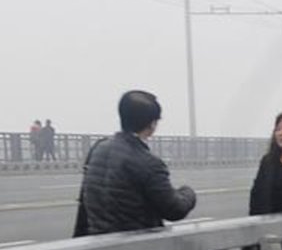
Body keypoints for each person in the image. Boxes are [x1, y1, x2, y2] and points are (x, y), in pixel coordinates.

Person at [74, 91, 196, 240]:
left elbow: (84, 203)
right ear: (152, 124)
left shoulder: (98, 148)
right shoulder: (149, 163)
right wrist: (188, 193)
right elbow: (174, 210)